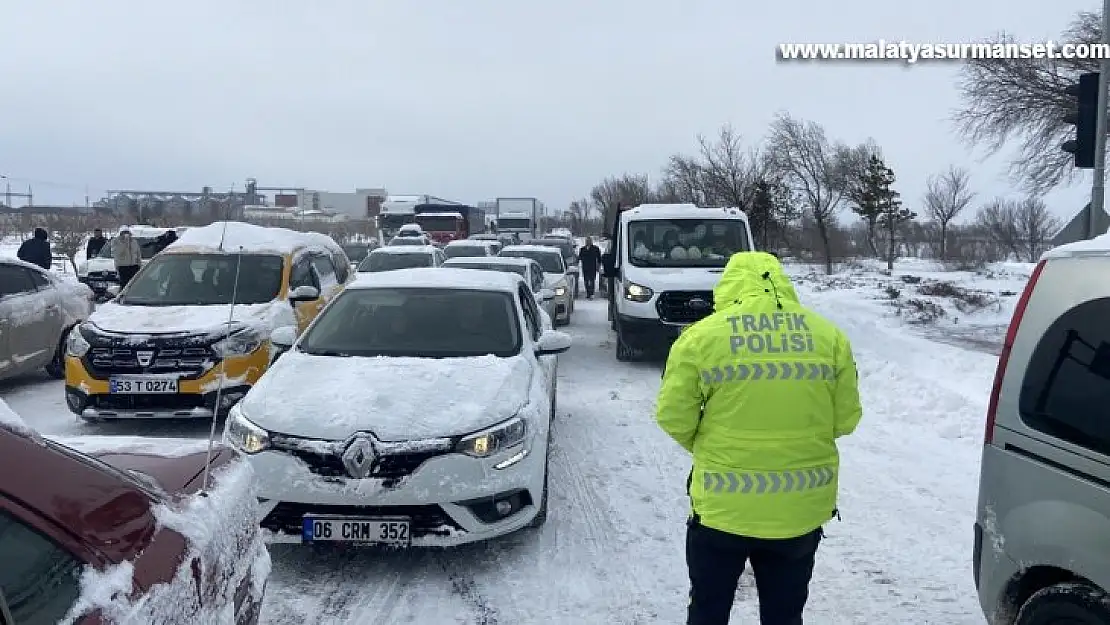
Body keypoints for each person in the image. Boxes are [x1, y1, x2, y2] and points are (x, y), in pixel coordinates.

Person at [655, 251, 862, 625]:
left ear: (728, 286)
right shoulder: (829, 337)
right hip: (799, 512)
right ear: (782, 281)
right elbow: (846, 420)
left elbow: (673, 416)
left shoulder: (700, 338)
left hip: (721, 511)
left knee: (708, 610)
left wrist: (712, 447)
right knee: (785, 616)